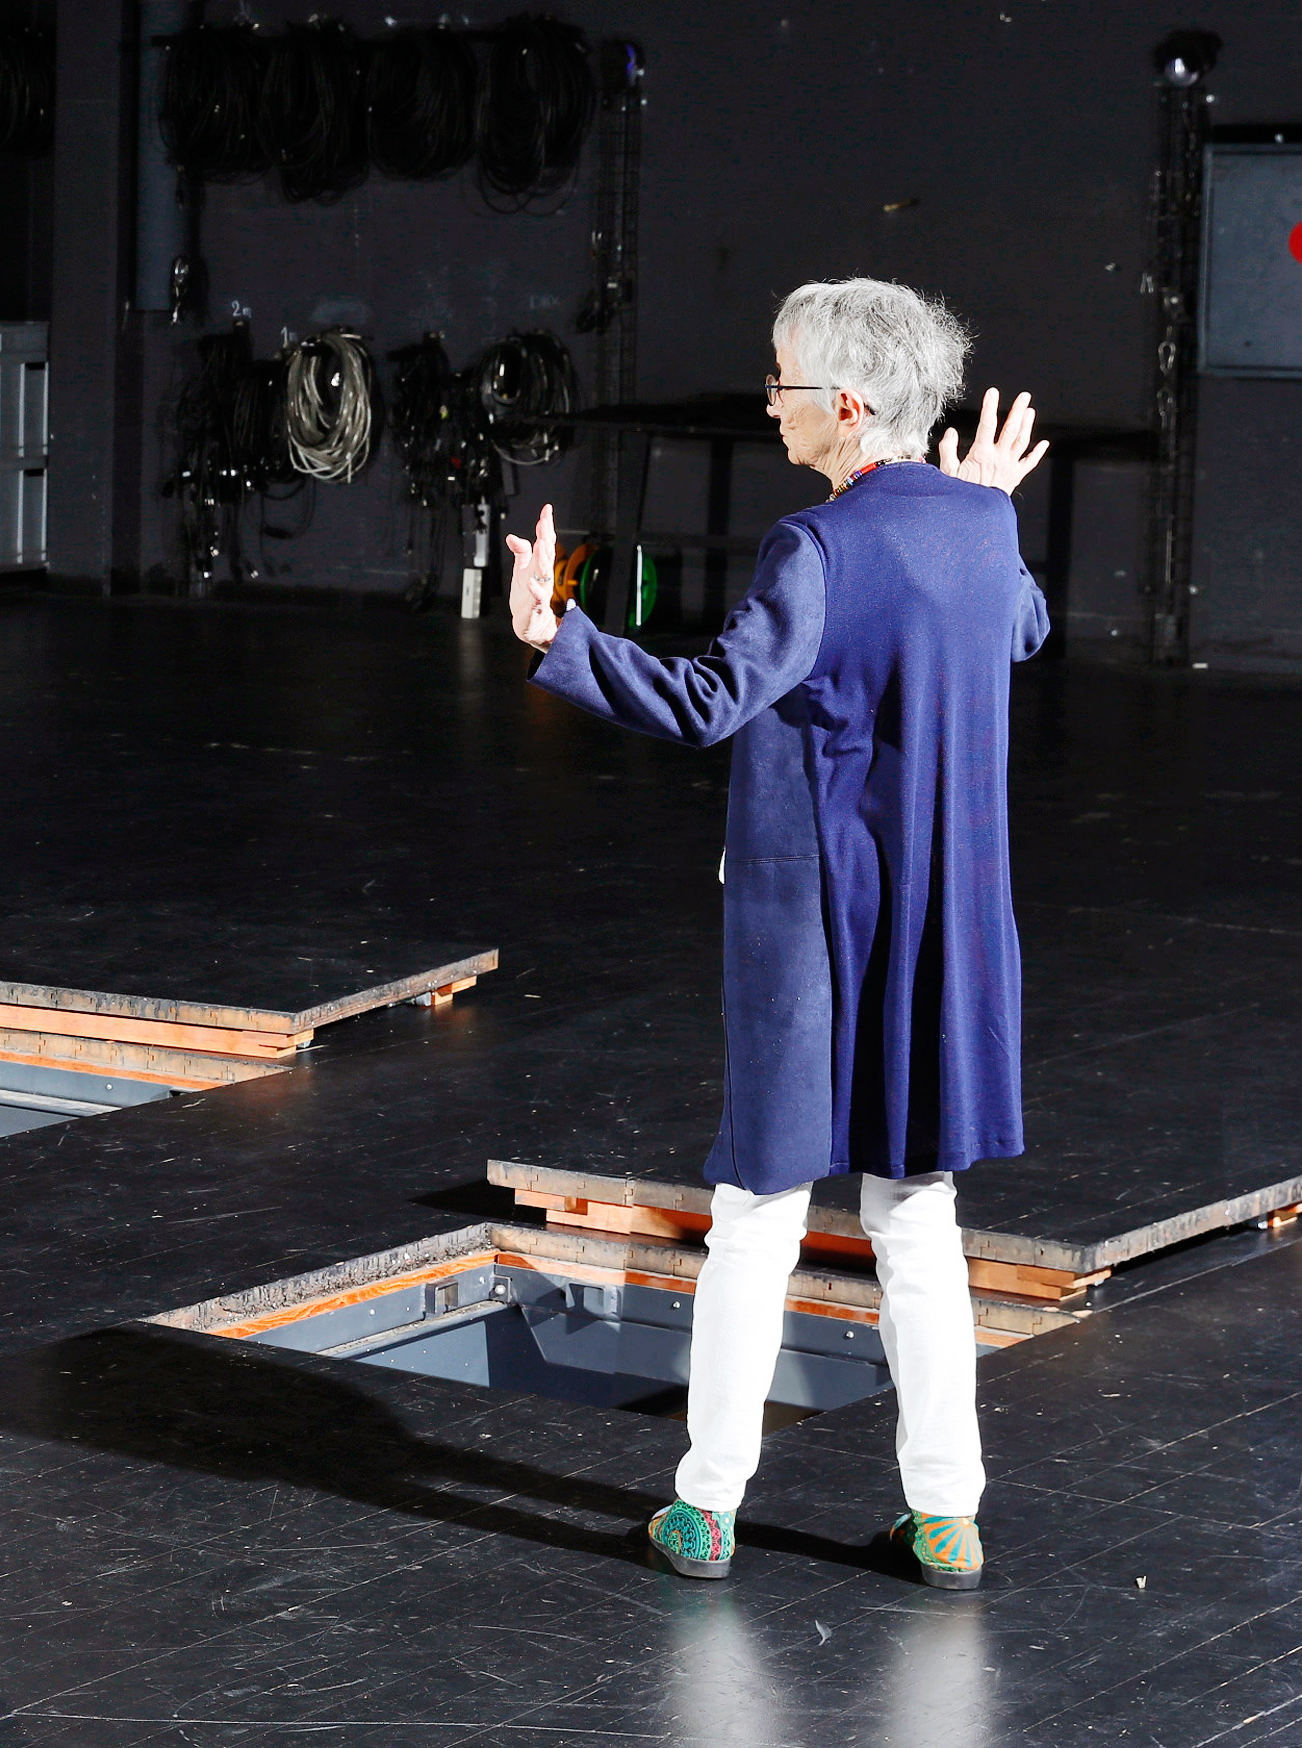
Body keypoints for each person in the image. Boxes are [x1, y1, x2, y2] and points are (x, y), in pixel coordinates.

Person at [507, 278, 1051, 1591]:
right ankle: (948, 1516)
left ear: (846, 405)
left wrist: (559, 637)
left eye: (781, 380)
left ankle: (706, 1507)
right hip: (938, 924)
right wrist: (983, 510)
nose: (769, 403)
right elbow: (1020, 626)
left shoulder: (815, 548)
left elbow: (711, 699)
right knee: (917, 1211)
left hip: (815, 926)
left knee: (757, 1213)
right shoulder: (981, 527)